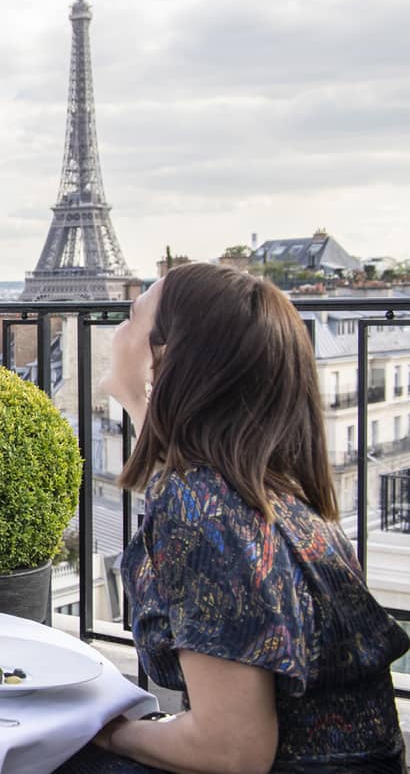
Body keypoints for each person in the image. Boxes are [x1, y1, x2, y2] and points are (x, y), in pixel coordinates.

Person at [57, 262, 408, 773]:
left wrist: (107, 733)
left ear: (163, 358)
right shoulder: (267, 492)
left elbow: (231, 751)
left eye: (131, 316)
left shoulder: (200, 505)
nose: (117, 331)